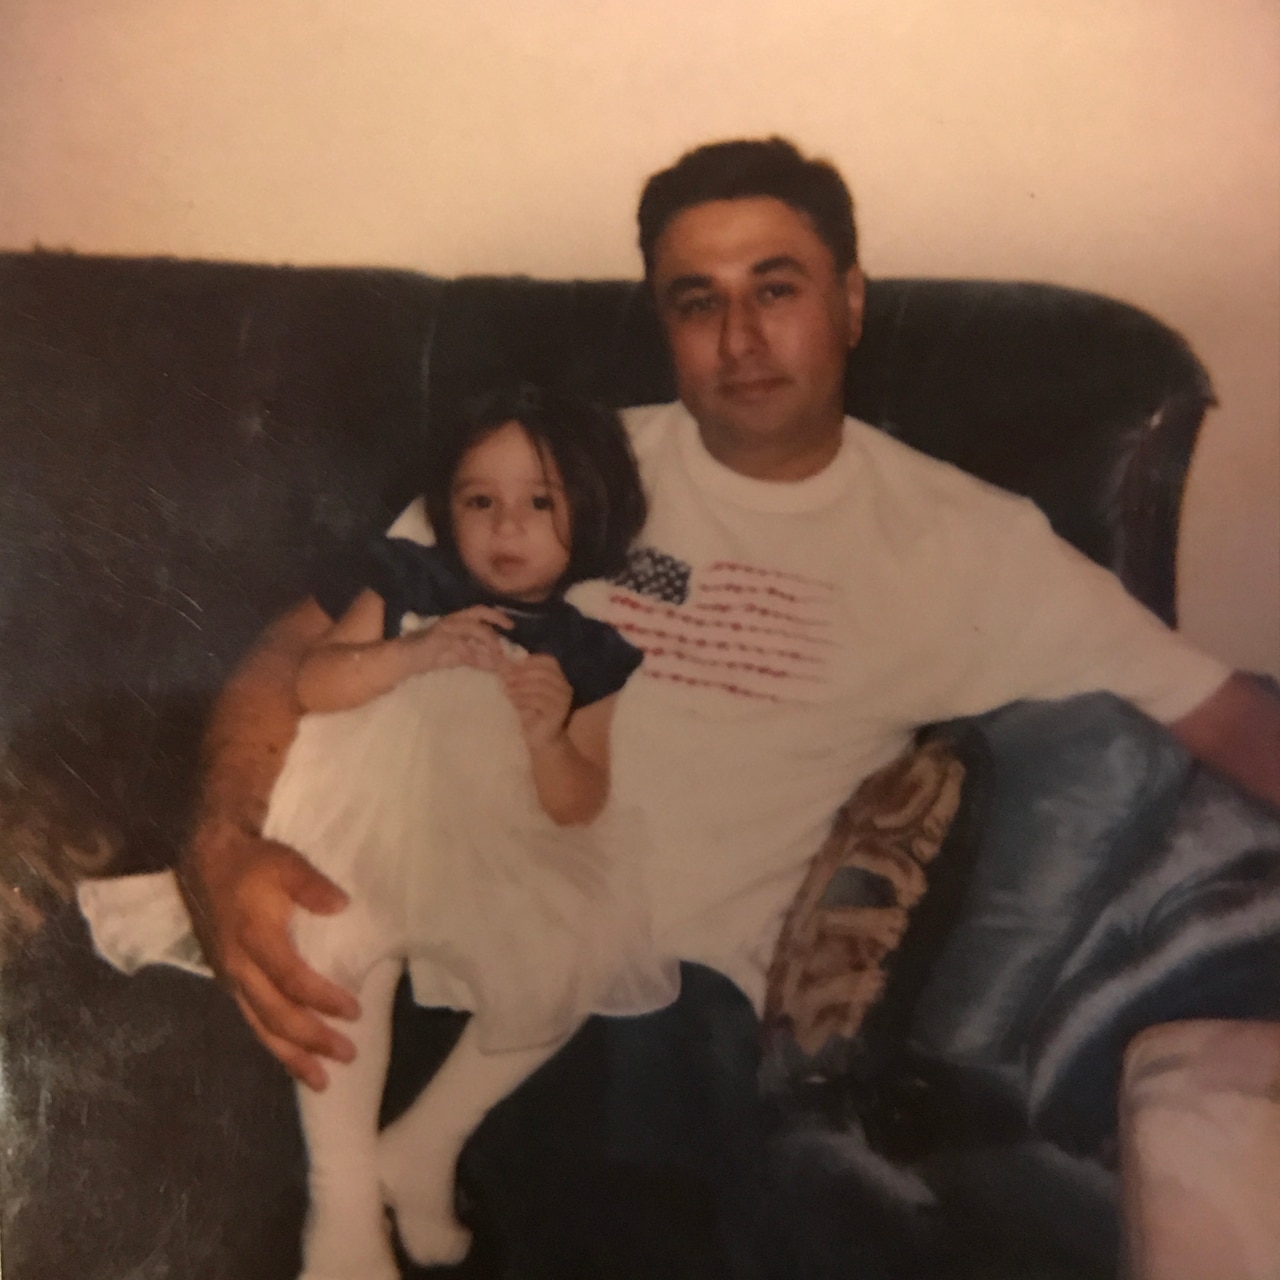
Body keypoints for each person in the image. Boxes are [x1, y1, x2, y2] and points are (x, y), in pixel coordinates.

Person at [179, 137, 1280, 1274]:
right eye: (696, 300)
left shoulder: (968, 545)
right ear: (661, 321)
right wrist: (219, 842)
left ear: (849, 302)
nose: (740, 337)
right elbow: (306, 638)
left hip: (666, 1013)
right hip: (440, 927)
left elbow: (1227, 717)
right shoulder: (560, 466)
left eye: (776, 288)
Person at [83, 385, 678, 1279]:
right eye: (481, 501)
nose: (505, 525)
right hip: (361, 818)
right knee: (332, 951)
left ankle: (427, 1142)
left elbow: (577, 801)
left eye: (540, 503)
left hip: (483, 846)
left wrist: (549, 736)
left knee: (573, 956)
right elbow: (314, 682)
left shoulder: (588, 651)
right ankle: (344, 1195)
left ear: (591, 517)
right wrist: (408, 653)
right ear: (448, 511)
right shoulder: (411, 579)